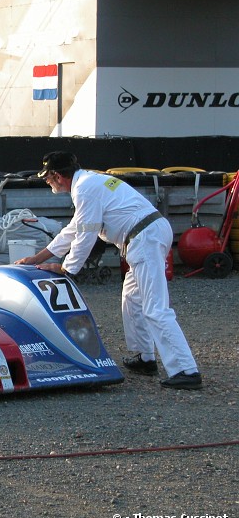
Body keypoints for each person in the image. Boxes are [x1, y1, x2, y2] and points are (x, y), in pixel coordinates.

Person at [15, 151, 202, 390]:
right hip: (146, 234)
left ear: (58, 175)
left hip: (143, 238)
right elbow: (73, 230)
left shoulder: (85, 189)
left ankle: (186, 369)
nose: (47, 181)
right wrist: (36, 258)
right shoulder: (89, 183)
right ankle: (144, 357)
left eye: (47, 177)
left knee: (155, 307)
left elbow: (86, 234)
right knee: (132, 299)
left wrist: (67, 268)